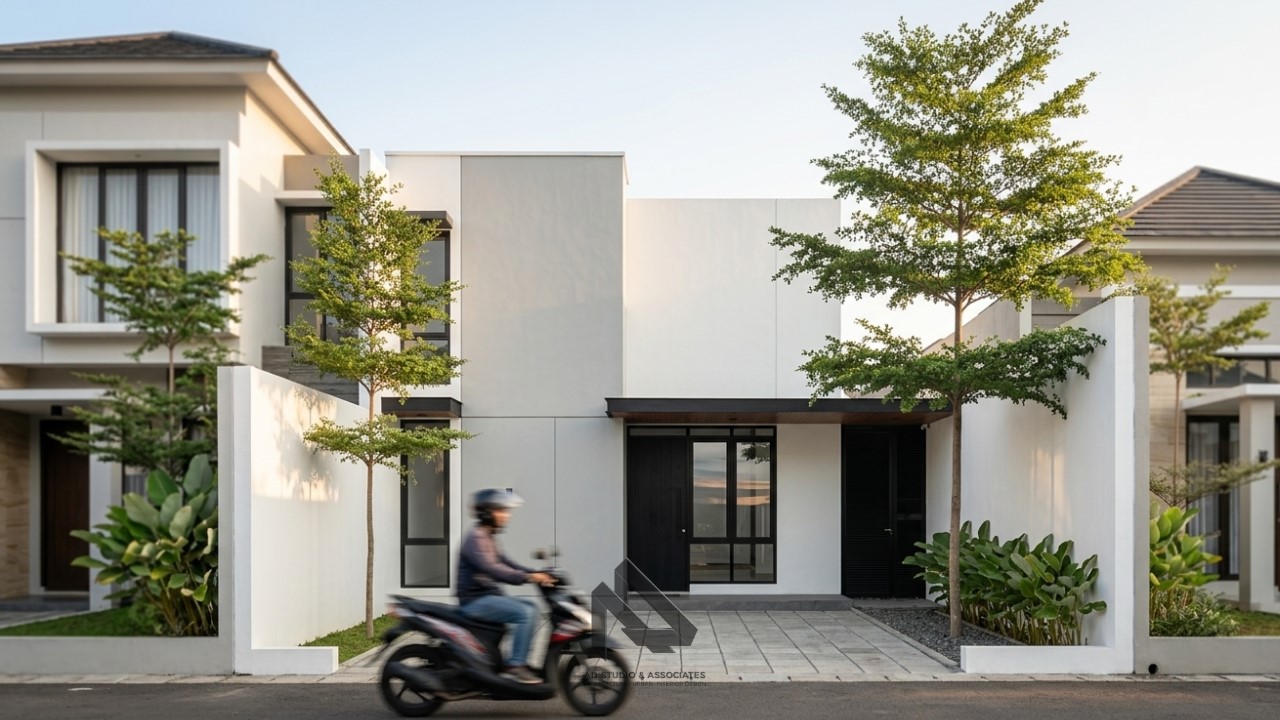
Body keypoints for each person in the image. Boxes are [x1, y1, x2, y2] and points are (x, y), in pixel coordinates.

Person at [456, 488, 555, 685]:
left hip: (487, 596)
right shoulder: (476, 538)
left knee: (532, 607)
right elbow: (493, 569)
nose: (506, 515)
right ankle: (515, 666)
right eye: (500, 510)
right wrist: (528, 577)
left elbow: (508, 563)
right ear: (486, 512)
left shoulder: (487, 536)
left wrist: (537, 572)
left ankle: (519, 662)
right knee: (525, 613)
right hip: (475, 601)